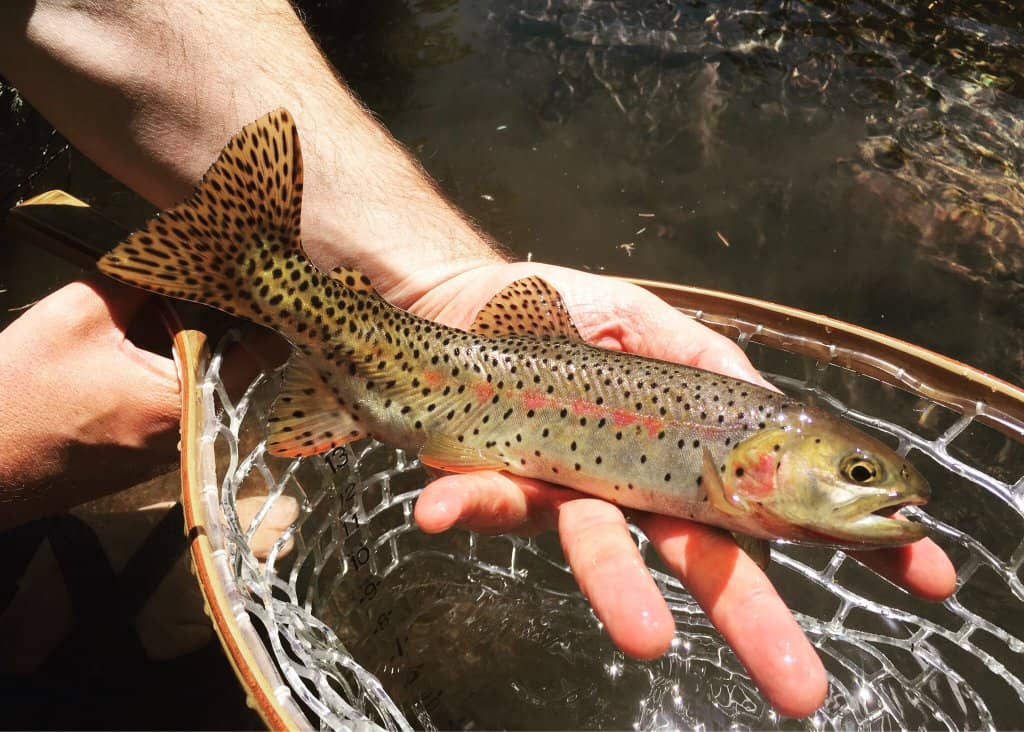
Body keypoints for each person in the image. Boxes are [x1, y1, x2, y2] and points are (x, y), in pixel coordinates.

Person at [0, 0, 955, 718]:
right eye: (858, 474)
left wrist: (439, 273)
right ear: (769, 462)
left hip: (416, 359)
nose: (876, 494)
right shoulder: (736, 444)